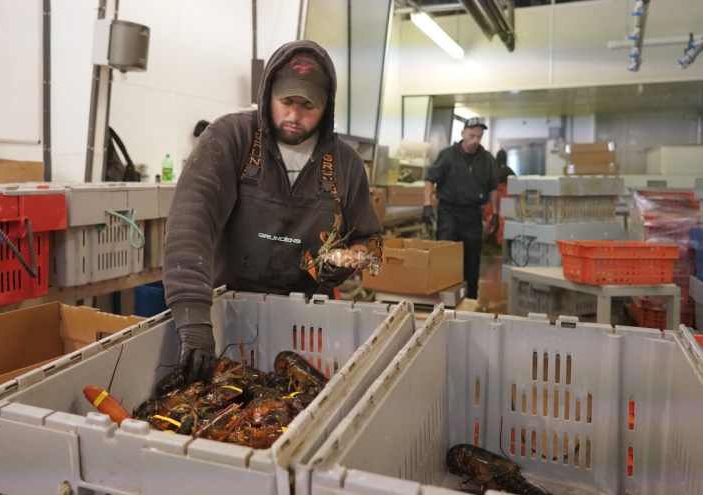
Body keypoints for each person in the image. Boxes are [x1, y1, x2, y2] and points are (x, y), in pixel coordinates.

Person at [157, 40, 383, 394]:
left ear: (327, 107)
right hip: (227, 313)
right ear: (268, 96)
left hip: (310, 327)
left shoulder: (346, 164)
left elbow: (370, 242)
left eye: (308, 106)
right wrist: (194, 318)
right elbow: (190, 223)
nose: (294, 116)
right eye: (286, 102)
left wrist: (352, 257)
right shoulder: (230, 138)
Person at [421, 117, 499, 300]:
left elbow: (493, 187)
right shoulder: (448, 155)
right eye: (472, 135)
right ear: (463, 133)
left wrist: (495, 214)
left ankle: (470, 302)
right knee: (445, 260)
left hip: (472, 215)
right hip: (449, 213)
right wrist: (426, 205)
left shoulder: (487, 159)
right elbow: (430, 180)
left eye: (479, 137)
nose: (475, 141)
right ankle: (443, 302)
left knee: (472, 263)